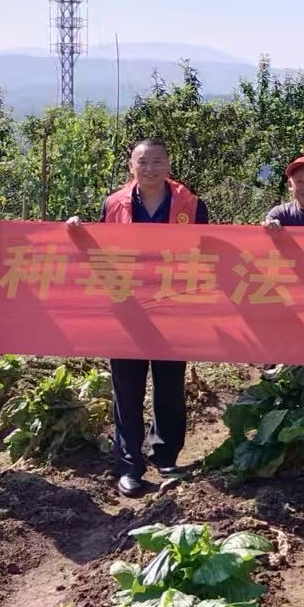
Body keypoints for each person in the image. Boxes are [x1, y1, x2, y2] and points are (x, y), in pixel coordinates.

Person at [83, 138, 209, 497]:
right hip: (127, 309)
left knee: (169, 383)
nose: (150, 168)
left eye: (157, 161)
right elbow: (97, 249)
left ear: (168, 165)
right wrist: (77, 231)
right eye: (143, 162)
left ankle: (166, 455)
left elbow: (209, 251)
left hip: (174, 307)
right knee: (127, 387)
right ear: (131, 167)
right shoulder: (113, 204)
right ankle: (128, 463)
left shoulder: (192, 205)